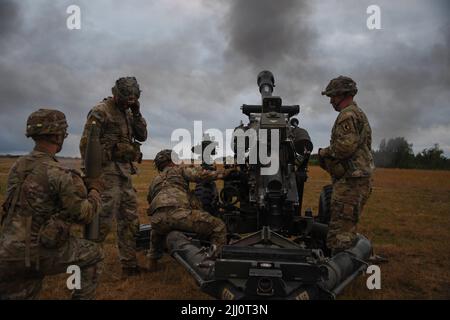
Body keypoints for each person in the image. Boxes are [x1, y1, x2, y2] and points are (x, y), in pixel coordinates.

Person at [0, 109, 103, 299]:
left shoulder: (18, 166)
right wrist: (95, 192)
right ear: (58, 136)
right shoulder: (59, 173)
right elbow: (83, 214)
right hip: (36, 253)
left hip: (6, 251)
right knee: (93, 254)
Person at [80, 77, 147, 277]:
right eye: (127, 98)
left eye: (133, 99)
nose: (129, 102)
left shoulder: (128, 111)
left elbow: (142, 136)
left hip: (124, 174)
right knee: (101, 222)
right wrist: (94, 176)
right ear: (116, 93)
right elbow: (86, 146)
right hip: (105, 175)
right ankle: (86, 268)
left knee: (130, 221)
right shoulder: (100, 111)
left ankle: (129, 264)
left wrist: (136, 112)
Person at [318, 76, 375, 254]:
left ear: (342, 94)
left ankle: (336, 273)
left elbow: (345, 147)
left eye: (333, 96)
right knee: (345, 226)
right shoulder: (357, 113)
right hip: (355, 179)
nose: (331, 101)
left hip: (351, 182)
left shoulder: (347, 115)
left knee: (340, 234)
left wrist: (324, 153)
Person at [146, 149, 228, 272]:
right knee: (218, 226)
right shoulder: (179, 170)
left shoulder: (155, 180)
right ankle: (214, 266)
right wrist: (224, 173)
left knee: (157, 229)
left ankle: (152, 263)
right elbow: (201, 175)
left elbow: (150, 199)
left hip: (158, 220)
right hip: (179, 215)